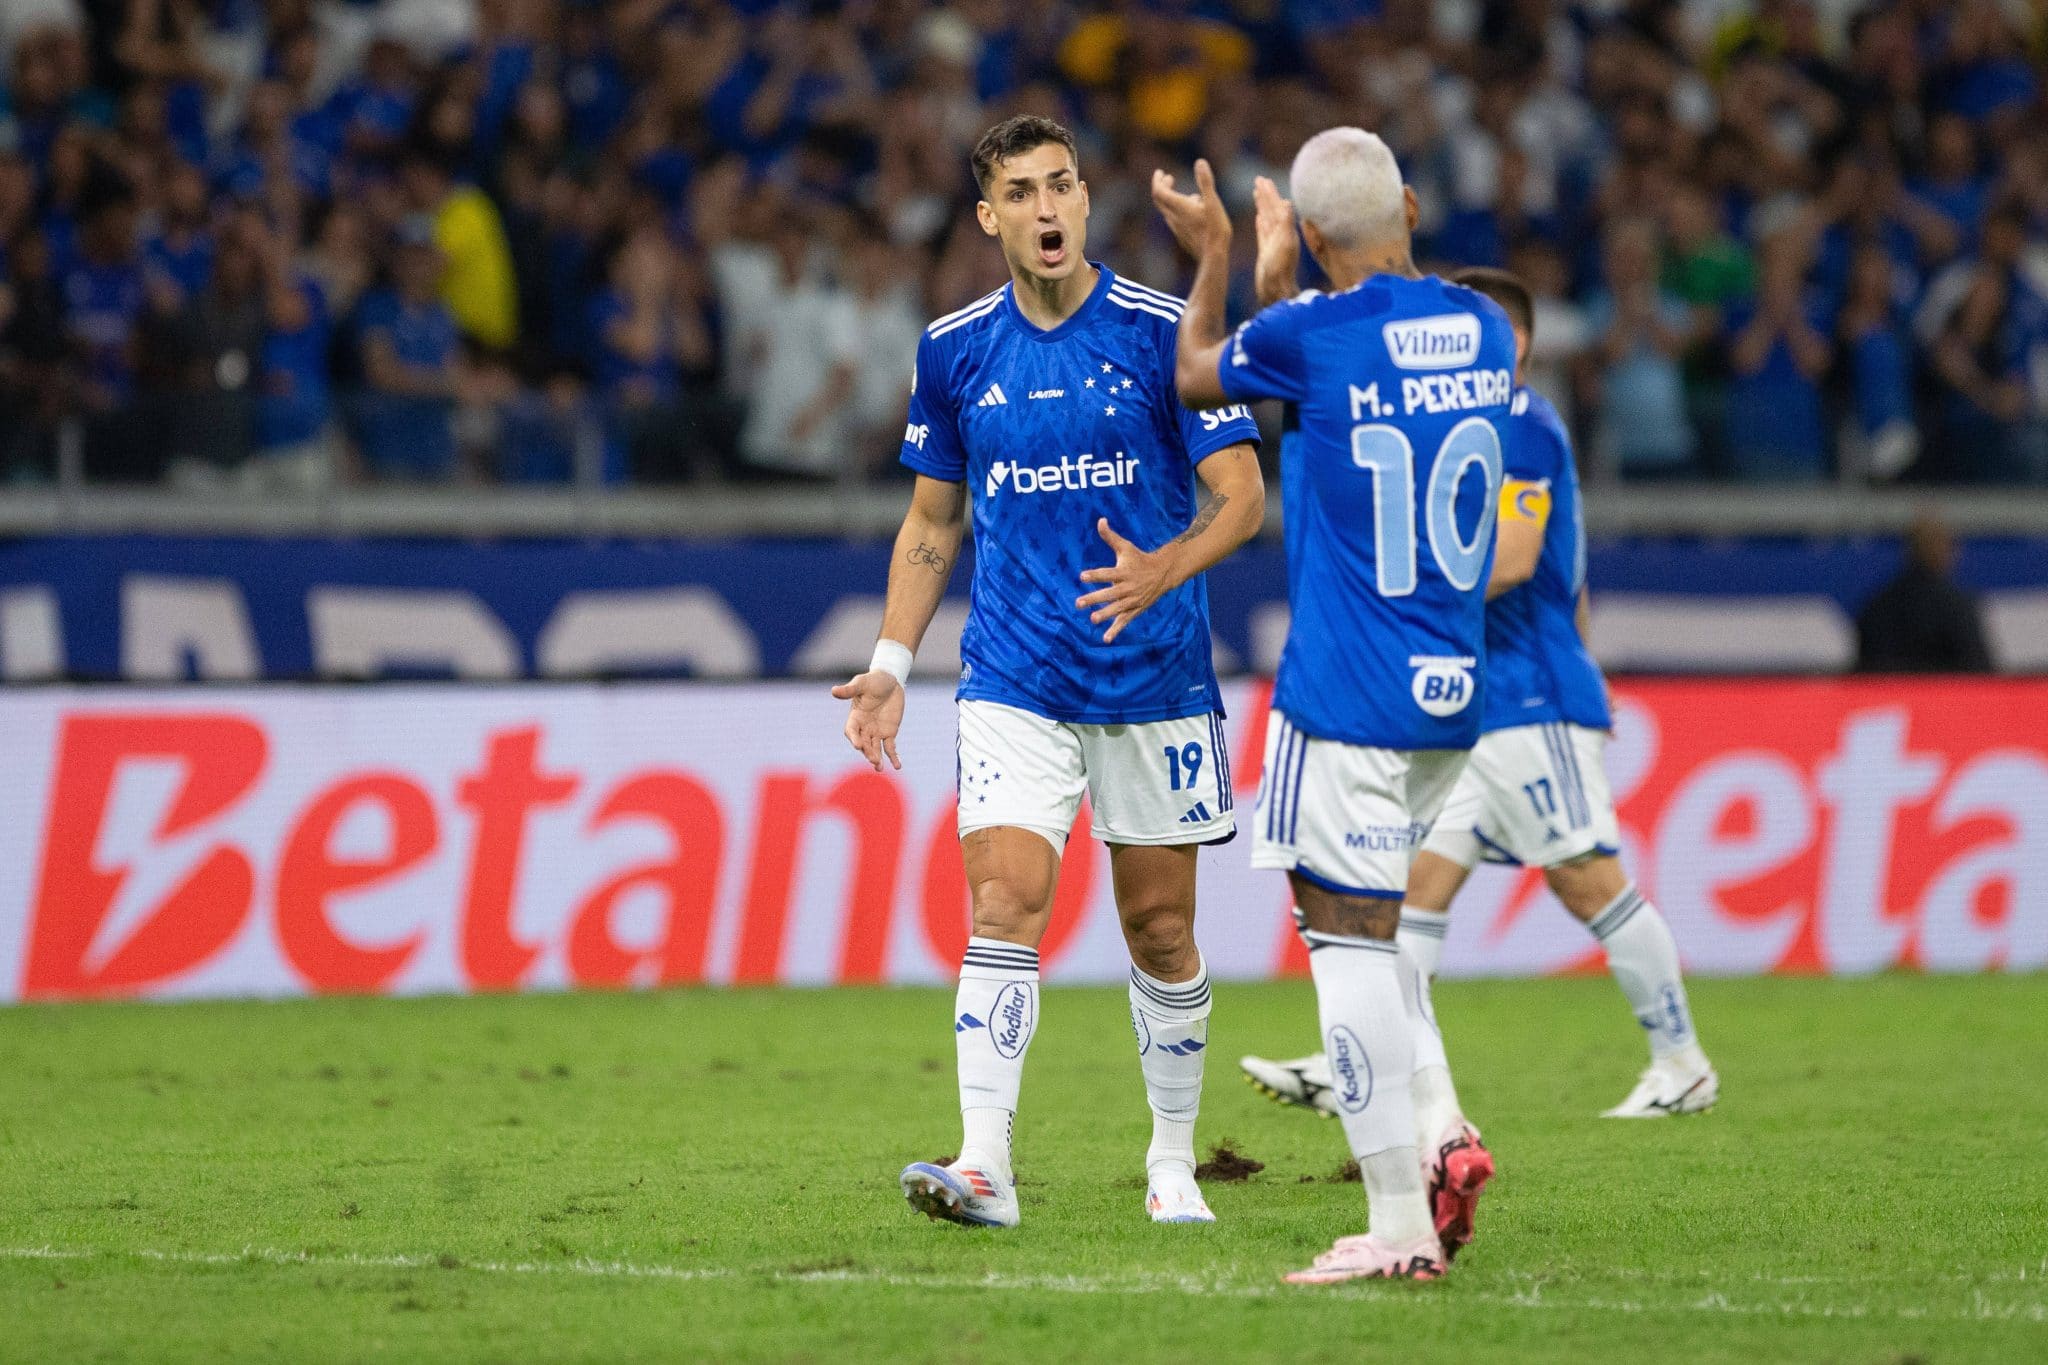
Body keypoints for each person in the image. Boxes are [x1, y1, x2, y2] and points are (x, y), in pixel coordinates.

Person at [831, 114, 1263, 1231]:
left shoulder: (1169, 334)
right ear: (988, 218)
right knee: (1003, 901)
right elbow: (931, 520)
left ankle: (1170, 1160)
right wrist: (889, 661)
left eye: (1060, 186)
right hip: (1013, 680)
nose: (1044, 209)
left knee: (1159, 931)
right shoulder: (954, 349)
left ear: (1085, 199)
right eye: (1018, 193)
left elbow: (1244, 498)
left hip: (1152, 684)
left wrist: (1167, 565)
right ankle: (984, 1166)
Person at [1238, 267, 1719, 1152]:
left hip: (1526, 697)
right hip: (1473, 698)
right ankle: (1376, 1070)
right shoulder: (1468, 424)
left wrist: (1395, 581)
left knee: (1588, 877)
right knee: (1410, 895)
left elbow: (1513, 555)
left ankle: (1682, 1060)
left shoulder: (1523, 425)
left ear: (1516, 343)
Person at [1154, 128, 1515, 1283]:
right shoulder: (1484, 327)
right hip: (1450, 699)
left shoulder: (1308, 334)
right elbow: (1341, 369)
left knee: (1345, 952)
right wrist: (1290, 279)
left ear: (1308, 236)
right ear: (1409, 203)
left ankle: (1398, 1226)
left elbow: (1202, 370)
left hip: (1343, 696)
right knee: (1387, 941)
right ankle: (1439, 1139)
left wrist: (1213, 256)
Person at [1854, 511, 1996, 672]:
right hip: (1943, 695)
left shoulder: (1877, 604)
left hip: (1888, 696)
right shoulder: (1955, 606)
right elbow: (1980, 670)